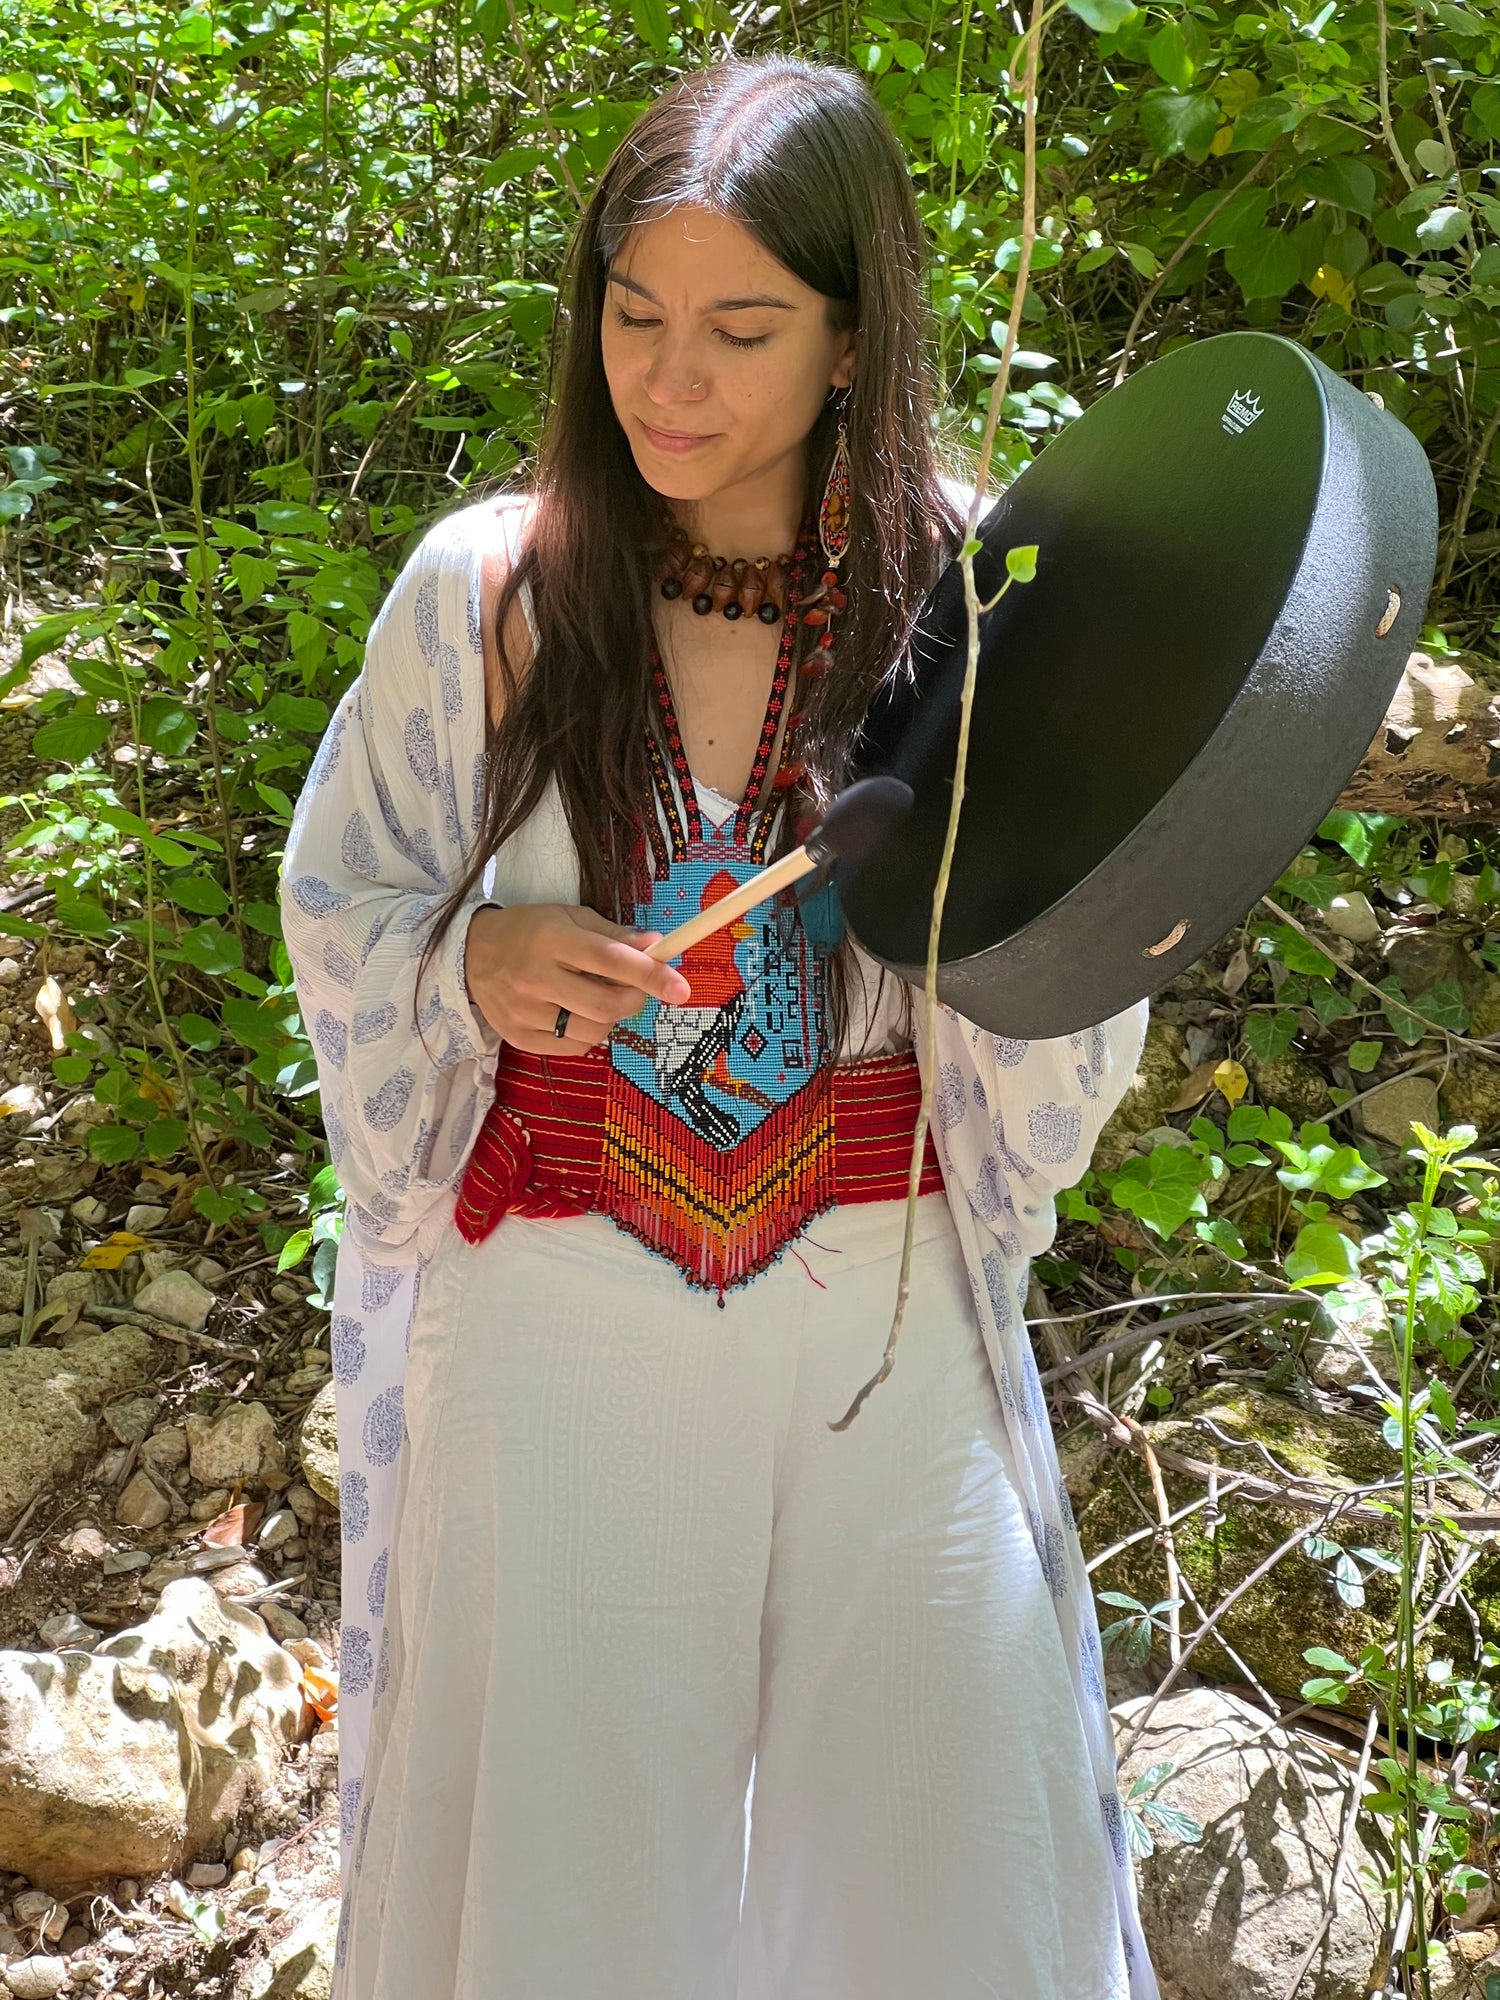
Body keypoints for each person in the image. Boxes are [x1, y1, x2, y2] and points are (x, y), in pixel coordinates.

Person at [281, 51, 1158, 2000]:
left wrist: (1004, 893)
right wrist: (472, 972)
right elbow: (345, 912)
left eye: (742, 329)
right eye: (633, 315)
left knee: (953, 1841)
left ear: (855, 335)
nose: (670, 382)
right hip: (564, 1293)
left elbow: (1075, 973)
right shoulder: (492, 595)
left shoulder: (980, 592)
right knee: (572, 1877)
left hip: (884, 1292)